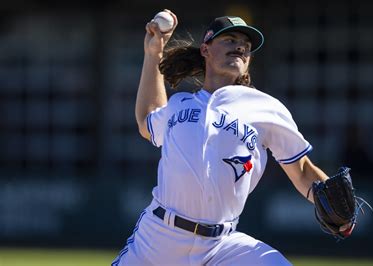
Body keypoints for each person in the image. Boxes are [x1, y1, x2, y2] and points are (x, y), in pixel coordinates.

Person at [112, 10, 336, 265]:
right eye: (230, 39)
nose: (240, 46)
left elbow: (302, 168)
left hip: (222, 246)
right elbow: (147, 120)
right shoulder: (180, 104)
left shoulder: (265, 108)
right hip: (159, 240)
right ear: (205, 49)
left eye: (246, 45)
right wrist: (154, 54)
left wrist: (332, 201)